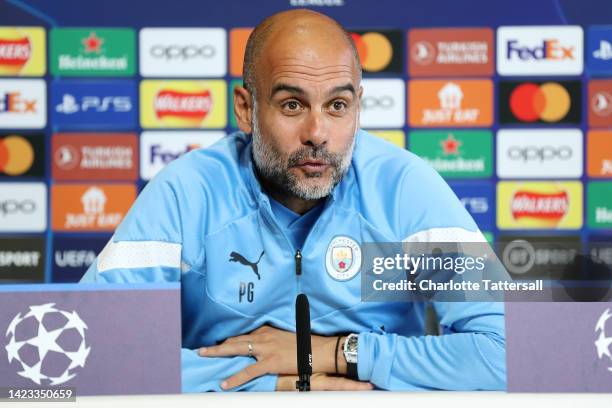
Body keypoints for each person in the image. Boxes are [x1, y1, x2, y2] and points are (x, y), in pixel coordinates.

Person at [81, 9, 506, 391]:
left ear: (358, 106)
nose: (317, 132)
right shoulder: (187, 193)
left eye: (337, 105)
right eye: (291, 105)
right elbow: (89, 353)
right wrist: (279, 383)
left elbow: (509, 353)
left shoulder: (403, 188)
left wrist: (335, 354)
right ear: (246, 109)